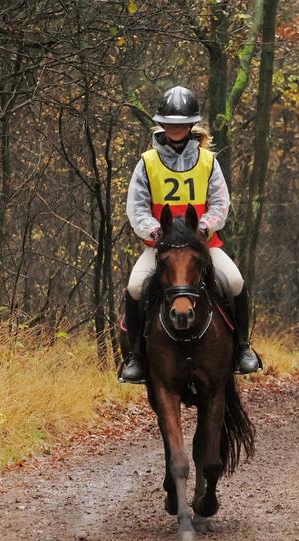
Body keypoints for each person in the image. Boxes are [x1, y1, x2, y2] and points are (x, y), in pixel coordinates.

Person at [119, 85, 262, 383]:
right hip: (163, 246)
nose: (175, 128)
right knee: (134, 288)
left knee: (235, 281)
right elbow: (136, 207)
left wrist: (204, 228)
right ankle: (135, 357)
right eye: (170, 123)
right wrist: (156, 231)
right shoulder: (147, 162)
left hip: (202, 246)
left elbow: (221, 202)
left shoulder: (209, 162)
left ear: (191, 125)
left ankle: (243, 350)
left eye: (181, 123)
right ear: (162, 124)